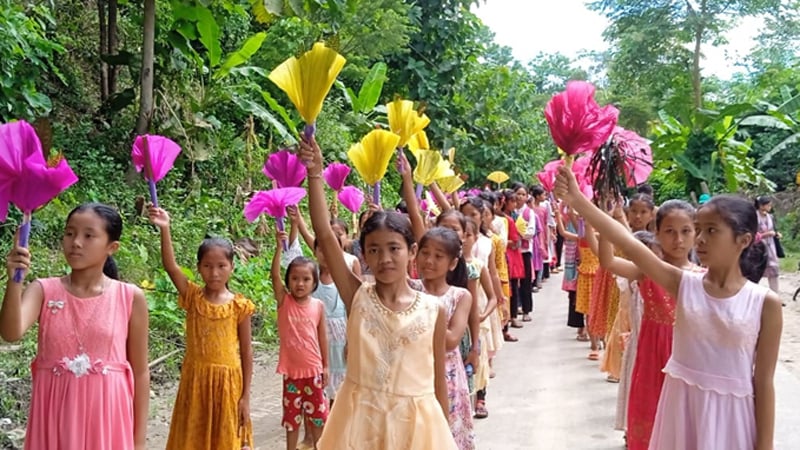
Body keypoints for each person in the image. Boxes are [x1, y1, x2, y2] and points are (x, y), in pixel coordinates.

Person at [556, 169, 783, 450]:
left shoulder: (765, 303)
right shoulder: (684, 284)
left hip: (734, 417)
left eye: (711, 231)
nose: (699, 239)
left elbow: (764, 383)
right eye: (698, 229)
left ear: (743, 240)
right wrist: (578, 200)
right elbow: (626, 242)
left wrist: (765, 445)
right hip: (682, 408)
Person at [301, 137, 457, 449]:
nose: (385, 258)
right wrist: (315, 175)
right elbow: (324, 234)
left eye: (394, 248)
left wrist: (445, 431)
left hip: (416, 429)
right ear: (364, 255)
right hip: (361, 422)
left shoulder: (433, 309)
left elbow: (438, 377)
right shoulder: (357, 295)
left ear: (412, 251)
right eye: (374, 250)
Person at [1, 203, 150, 450]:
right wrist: (15, 281)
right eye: (70, 233)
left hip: (106, 420)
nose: (76, 242)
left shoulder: (130, 297)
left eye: (88, 235)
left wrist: (138, 440)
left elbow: (141, 372)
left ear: (112, 247)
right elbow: (10, 332)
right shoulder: (43, 290)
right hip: (54, 416)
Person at [149, 206, 255, 450]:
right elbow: (170, 266)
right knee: (192, 440)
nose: (214, 272)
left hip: (228, 384)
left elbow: (247, 354)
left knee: (225, 440)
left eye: (221, 266)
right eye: (207, 266)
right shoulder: (193, 297)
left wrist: (246, 397)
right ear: (198, 268)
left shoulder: (239, 306)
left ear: (232, 268)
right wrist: (165, 229)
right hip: (196, 382)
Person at [411, 227, 476, 449]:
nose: (429, 260)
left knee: (446, 433)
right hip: (414, 373)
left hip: (447, 377)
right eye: (425, 253)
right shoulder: (410, 289)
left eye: (438, 256)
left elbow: (451, 340)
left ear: (452, 263)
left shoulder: (460, 296)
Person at [271, 231, 329, 450]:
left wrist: (325, 366)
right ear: (288, 281)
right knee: (292, 418)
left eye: (306, 279)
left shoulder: (318, 306)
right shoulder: (284, 301)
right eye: (294, 278)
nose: (300, 284)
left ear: (314, 282)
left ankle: (319, 446)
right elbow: (274, 277)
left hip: (314, 371)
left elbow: (322, 337)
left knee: (317, 416)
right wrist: (278, 247)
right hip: (292, 373)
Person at [755, 196, 781, 295]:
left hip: (771, 247)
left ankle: (775, 295)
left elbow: (774, 229)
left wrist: (776, 234)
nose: (770, 207)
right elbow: (752, 233)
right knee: (757, 270)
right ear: (761, 205)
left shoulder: (770, 217)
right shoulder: (754, 217)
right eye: (768, 205)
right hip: (758, 247)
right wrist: (765, 235)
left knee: (774, 271)